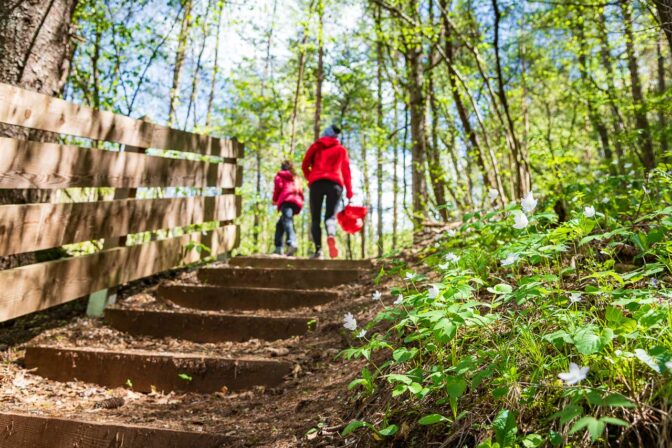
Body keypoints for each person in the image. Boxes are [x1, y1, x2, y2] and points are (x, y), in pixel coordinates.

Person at [302, 124, 353, 259]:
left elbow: (305, 164)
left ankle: (318, 251)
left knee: (315, 218)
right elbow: (346, 171)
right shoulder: (341, 150)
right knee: (330, 217)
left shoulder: (316, 146)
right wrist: (349, 192)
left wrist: (310, 178)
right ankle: (331, 235)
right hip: (335, 185)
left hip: (317, 183)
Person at [272, 160, 304, 256]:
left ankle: (292, 242)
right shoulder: (296, 177)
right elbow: (301, 191)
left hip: (286, 200)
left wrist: (274, 200)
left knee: (287, 221)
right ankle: (278, 247)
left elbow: (278, 187)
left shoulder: (280, 175)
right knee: (280, 224)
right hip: (296, 201)